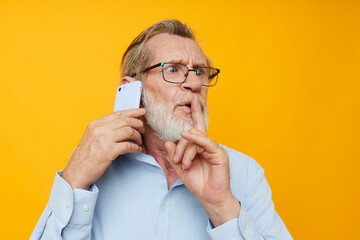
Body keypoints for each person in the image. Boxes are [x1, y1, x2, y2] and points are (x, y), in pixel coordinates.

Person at [30, 19, 292, 240]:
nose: (194, 84)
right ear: (134, 89)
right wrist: (74, 180)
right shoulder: (92, 170)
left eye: (200, 72)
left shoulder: (245, 173)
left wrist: (221, 206)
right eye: (174, 69)